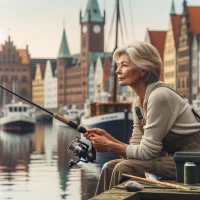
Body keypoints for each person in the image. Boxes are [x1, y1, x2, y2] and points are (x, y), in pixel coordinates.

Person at [83, 41, 200, 195]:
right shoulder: (139, 103)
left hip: (193, 162)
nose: (118, 70)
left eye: (124, 65)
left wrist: (110, 146)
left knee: (123, 168)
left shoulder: (159, 96)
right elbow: (135, 151)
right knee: (109, 166)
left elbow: (146, 153)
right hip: (178, 160)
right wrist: (109, 139)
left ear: (143, 70)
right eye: (118, 65)